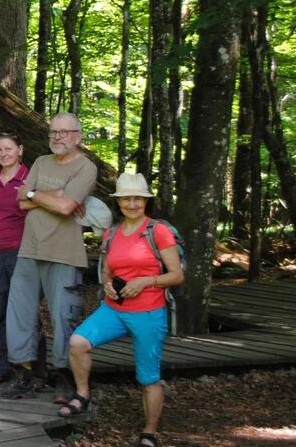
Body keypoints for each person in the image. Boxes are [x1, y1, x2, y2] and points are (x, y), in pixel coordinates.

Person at [59, 173, 181, 447]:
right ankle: (82, 394)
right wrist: (108, 284)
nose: (132, 204)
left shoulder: (158, 231)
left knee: (148, 377)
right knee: (78, 342)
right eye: (126, 198)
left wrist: (146, 281)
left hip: (149, 311)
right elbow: (108, 270)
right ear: (119, 202)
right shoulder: (111, 233)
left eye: (138, 198)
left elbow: (176, 275)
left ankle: (149, 433)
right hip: (114, 308)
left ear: (146, 201)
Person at [0, 113, 98, 402]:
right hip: (29, 251)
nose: (58, 137)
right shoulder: (41, 162)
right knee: (20, 316)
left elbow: (66, 207)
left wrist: (35, 193)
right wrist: (50, 194)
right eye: (54, 132)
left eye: (65, 132)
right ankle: (24, 377)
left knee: (64, 317)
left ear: (78, 136)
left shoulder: (85, 167)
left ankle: (64, 379)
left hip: (65, 254)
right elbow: (20, 199)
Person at [0, 133, 47, 388]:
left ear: (20, 149)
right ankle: (1, 369)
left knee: (26, 313)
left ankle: (37, 372)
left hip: (21, 253)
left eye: (8, 149)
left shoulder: (31, 178)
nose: (3, 153)